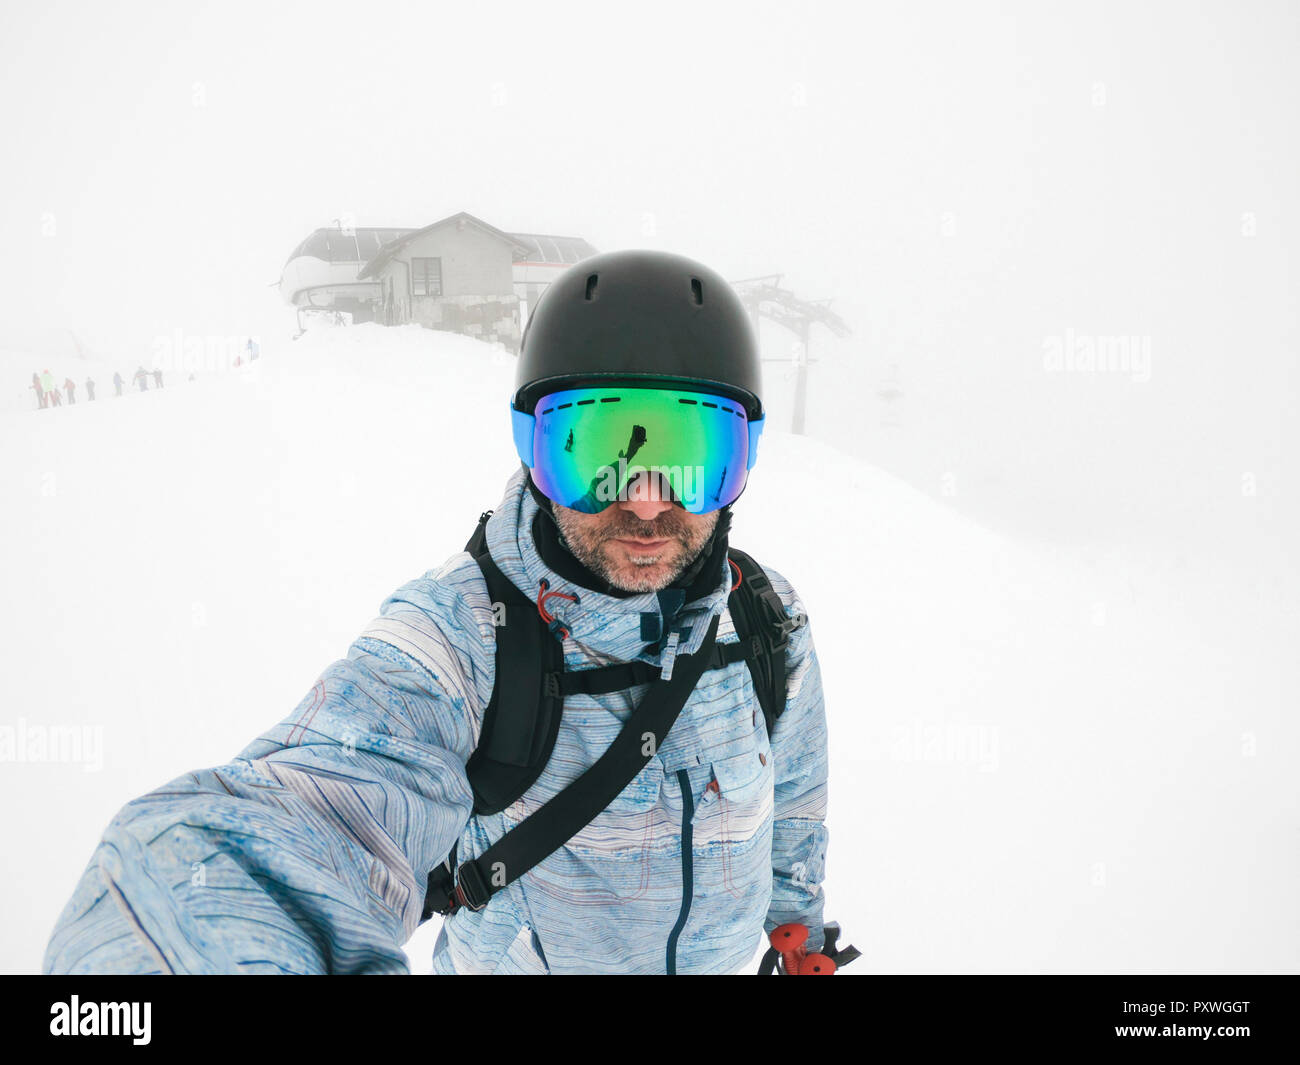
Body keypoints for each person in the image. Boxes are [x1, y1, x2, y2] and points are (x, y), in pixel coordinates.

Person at [43, 250, 843, 976]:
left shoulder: (765, 621)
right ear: (533, 454)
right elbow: (288, 830)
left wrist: (794, 930)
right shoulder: (463, 633)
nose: (643, 501)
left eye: (691, 460)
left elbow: (796, 802)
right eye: (597, 458)